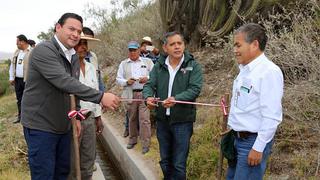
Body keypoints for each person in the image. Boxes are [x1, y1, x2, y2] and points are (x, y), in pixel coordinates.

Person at [21, 13, 119, 180]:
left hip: (63, 125)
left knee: (62, 173)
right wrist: (100, 97)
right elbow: (64, 82)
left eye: (78, 31)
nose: (75, 34)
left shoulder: (72, 55)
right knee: (44, 174)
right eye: (71, 29)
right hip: (41, 127)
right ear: (58, 27)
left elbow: (74, 91)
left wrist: (77, 116)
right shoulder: (44, 50)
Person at [226, 23, 284, 180]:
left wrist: (258, 147)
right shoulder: (244, 70)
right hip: (236, 140)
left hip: (252, 143)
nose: (235, 50)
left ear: (255, 44)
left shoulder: (268, 72)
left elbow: (272, 116)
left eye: (238, 45)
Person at [143, 31, 203, 179]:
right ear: (165, 48)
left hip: (183, 122)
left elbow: (195, 89)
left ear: (184, 45)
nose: (177, 47)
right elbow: (149, 85)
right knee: (165, 162)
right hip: (162, 121)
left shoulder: (193, 66)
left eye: (179, 43)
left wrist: (176, 99)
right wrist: (148, 97)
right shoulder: (159, 66)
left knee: (178, 164)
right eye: (172, 44)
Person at [69, 33, 103, 179]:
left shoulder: (91, 67)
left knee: (88, 161)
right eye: (79, 43)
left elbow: (96, 92)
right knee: (71, 162)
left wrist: (98, 117)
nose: (83, 47)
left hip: (89, 119)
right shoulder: (67, 69)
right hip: (73, 121)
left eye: (85, 43)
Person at [116, 41, 154, 154]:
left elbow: (155, 74)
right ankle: (132, 140)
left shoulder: (148, 62)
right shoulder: (123, 63)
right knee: (131, 118)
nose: (132, 52)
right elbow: (118, 78)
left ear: (139, 50)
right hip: (130, 94)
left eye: (134, 50)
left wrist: (147, 78)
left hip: (145, 93)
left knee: (145, 119)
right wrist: (126, 81)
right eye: (130, 50)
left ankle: (145, 144)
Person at [9, 34, 31, 123]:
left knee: (28, 99)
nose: (16, 44)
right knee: (19, 99)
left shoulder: (31, 52)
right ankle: (20, 116)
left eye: (17, 42)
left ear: (22, 42)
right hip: (17, 80)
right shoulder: (16, 52)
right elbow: (12, 65)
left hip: (27, 80)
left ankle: (28, 117)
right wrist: (11, 77)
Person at [82, 27, 105, 92]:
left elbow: (98, 78)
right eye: (85, 41)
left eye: (90, 41)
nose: (87, 44)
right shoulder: (73, 57)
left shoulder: (93, 56)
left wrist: (102, 95)